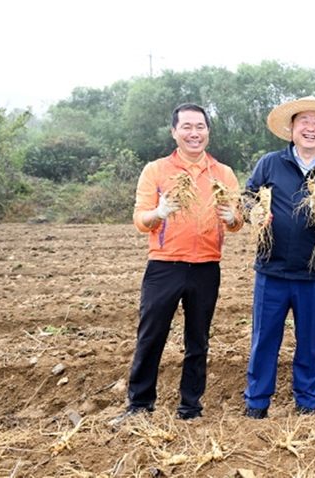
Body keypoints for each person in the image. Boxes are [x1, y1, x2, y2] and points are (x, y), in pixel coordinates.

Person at [111, 102, 243, 425]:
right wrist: (160, 212)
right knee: (151, 335)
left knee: (198, 340)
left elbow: (236, 221)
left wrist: (233, 218)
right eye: (186, 127)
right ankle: (140, 405)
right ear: (174, 131)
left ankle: (191, 408)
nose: (194, 133)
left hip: (206, 267)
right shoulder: (156, 170)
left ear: (208, 132)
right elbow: (140, 220)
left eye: (200, 127)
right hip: (164, 266)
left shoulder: (223, 173)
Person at [243, 96, 315, 418]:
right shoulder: (269, 164)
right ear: (292, 128)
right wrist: (253, 213)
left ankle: (306, 401)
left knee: (310, 342)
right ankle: (257, 402)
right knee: (264, 340)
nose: (310, 128)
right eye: (303, 122)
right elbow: (246, 199)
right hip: (272, 271)